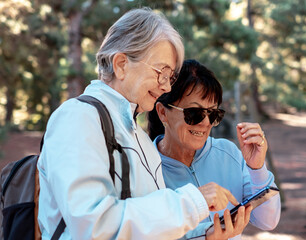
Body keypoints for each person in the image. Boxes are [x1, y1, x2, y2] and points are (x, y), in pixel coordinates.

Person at [37, 8, 241, 240]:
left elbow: (148, 230)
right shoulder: (78, 118)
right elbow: (93, 226)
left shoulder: (138, 137)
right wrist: (193, 202)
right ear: (122, 64)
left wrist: (205, 235)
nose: (166, 87)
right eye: (161, 72)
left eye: (171, 77)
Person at [148, 59, 281, 239]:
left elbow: (268, 221)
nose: (206, 123)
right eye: (194, 113)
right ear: (163, 112)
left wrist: (257, 168)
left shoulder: (229, 153)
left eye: (213, 114)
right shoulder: (145, 168)